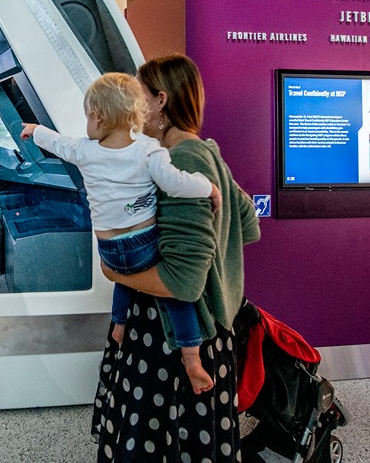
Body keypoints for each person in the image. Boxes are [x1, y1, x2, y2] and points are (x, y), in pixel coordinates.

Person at [91, 54, 261, 462]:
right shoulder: (205, 153)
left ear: (160, 101)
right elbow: (249, 224)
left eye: (138, 95)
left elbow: (183, 283)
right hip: (209, 333)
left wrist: (115, 271)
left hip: (172, 342)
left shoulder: (180, 160)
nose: (130, 105)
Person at [21, 72, 221, 395]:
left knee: (123, 276)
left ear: (98, 118)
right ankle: (192, 357)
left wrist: (35, 130)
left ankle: (119, 324)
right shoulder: (148, 151)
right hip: (143, 243)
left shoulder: (85, 151)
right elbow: (176, 183)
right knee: (174, 298)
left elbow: (58, 144)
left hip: (108, 247)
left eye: (87, 115)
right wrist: (209, 187)